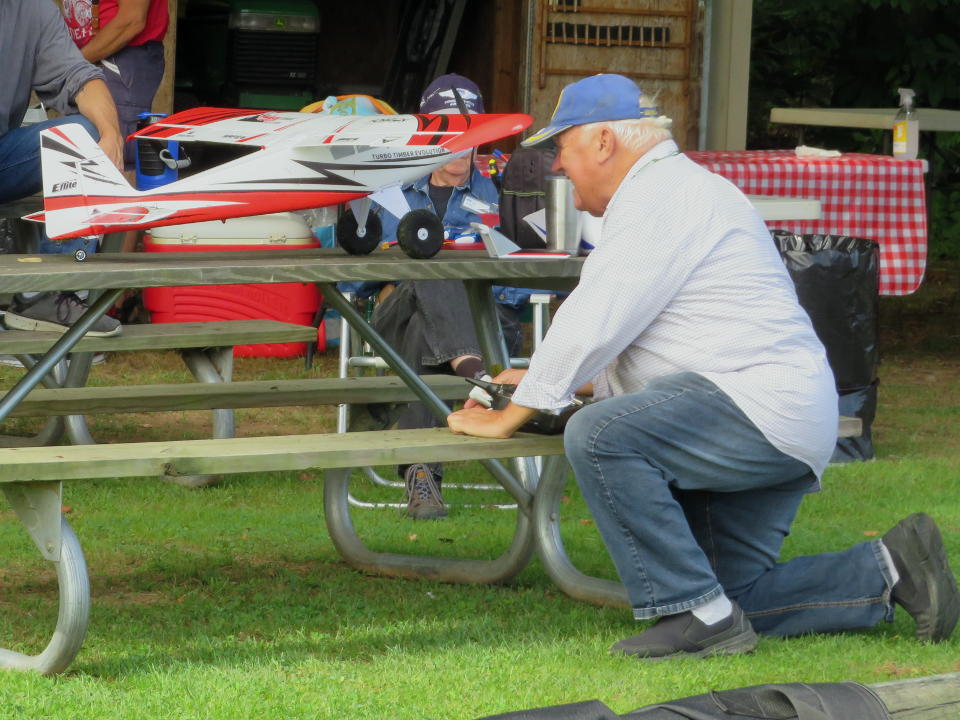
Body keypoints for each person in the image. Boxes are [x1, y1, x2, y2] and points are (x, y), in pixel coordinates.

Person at [447, 74, 959, 660]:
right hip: (774, 414)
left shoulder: (661, 194)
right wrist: (536, 383)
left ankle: (696, 618)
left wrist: (511, 415)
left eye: (561, 148)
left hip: (750, 411)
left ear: (604, 142)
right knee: (734, 597)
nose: (557, 167)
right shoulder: (679, 191)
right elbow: (657, 341)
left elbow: (593, 317)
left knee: (600, 432)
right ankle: (892, 569)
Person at [350, 73, 526, 520]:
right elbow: (355, 279)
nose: (465, 148)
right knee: (429, 266)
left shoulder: (502, 193)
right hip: (396, 315)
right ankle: (476, 375)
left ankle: (421, 477)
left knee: (423, 330)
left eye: (474, 135)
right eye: (453, 134)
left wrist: (476, 285)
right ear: (429, 135)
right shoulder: (389, 190)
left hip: (485, 325)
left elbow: (522, 280)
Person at [1, 0, 123, 338]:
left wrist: (111, 132)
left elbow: (77, 75)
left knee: (87, 132)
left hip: (3, 157)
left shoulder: (33, 9)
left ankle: (48, 291)